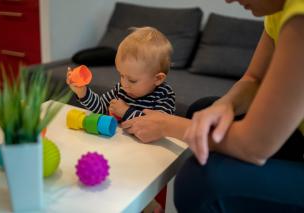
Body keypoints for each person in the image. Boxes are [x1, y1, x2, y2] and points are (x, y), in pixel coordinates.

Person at [121, 0, 304, 212]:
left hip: (271, 146)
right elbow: (253, 78)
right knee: (203, 108)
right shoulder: (277, 10)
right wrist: (225, 104)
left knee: (199, 182)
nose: (227, 0)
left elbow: (255, 146)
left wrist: (166, 125)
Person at [66, 26, 175, 121]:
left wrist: (126, 112)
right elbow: (101, 108)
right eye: (121, 75)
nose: (124, 84)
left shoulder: (164, 95)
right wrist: (83, 93)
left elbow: (158, 125)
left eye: (132, 80)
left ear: (158, 79)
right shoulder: (121, 90)